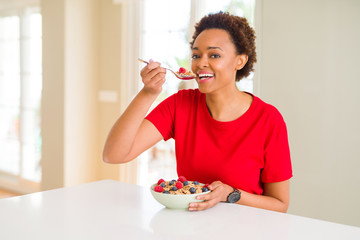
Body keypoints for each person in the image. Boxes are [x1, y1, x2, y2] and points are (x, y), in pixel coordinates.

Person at [103, 12, 292, 212]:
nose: (200, 63)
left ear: (240, 61)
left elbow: (280, 205)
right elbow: (114, 154)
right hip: (190, 226)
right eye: (195, 55)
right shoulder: (180, 105)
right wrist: (147, 93)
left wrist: (232, 194)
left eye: (214, 55)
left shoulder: (268, 119)